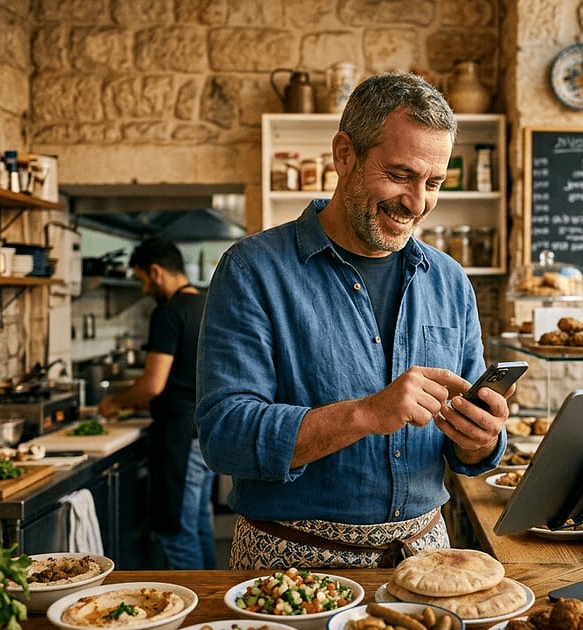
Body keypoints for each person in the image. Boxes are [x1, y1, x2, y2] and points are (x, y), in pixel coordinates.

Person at [195, 72, 508, 570]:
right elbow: (225, 436)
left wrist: (482, 439)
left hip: (424, 554)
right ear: (345, 154)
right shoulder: (252, 269)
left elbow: (467, 445)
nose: (418, 202)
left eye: (434, 183)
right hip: (290, 562)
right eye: (401, 175)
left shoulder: (450, 281)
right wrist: (364, 414)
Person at [97, 237, 215, 570]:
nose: (144, 289)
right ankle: (216, 606)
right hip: (205, 433)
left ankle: (197, 611)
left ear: (156, 272)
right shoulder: (206, 304)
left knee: (176, 533)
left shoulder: (168, 312)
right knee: (199, 525)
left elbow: (153, 384)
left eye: (142, 280)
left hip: (179, 435)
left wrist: (115, 404)